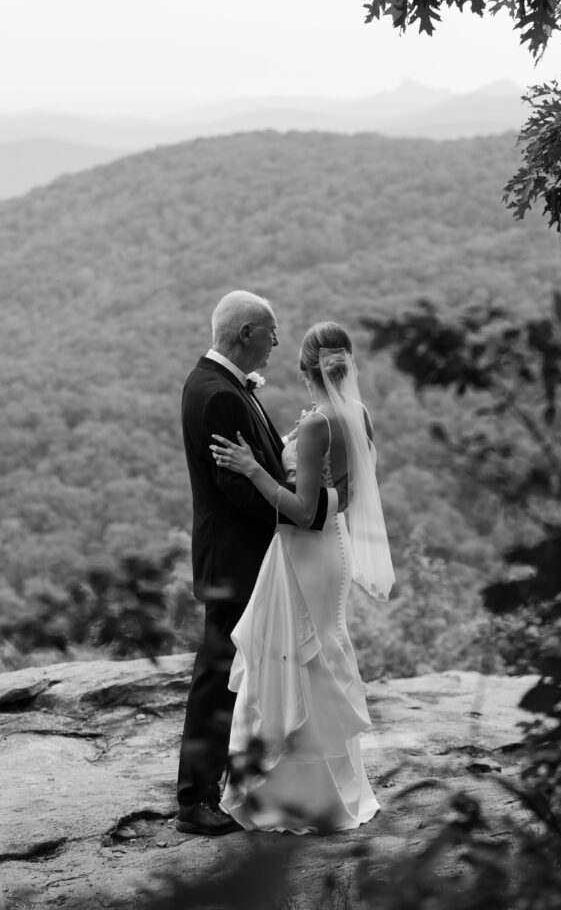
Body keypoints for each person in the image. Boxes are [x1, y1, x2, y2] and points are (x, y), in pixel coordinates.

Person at [210, 321, 395, 833]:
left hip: (303, 551)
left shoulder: (317, 426)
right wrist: (321, 499)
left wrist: (252, 468)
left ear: (304, 370)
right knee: (319, 651)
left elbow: (298, 509)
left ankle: (294, 798)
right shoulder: (358, 415)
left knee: (293, 655)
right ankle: (333, 790)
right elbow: (350, 498)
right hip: (332, 550)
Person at [176, 291, 339, 836]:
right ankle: (195, 799)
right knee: (219, 675)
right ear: (245, 332)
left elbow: (253, 471)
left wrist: (282, 476)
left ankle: (219, 785)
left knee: (231, 673)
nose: (275, 340)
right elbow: (236, 489)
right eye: (270, 331)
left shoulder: (218, 385)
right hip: (236, 560)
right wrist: (299, 511)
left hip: (241, 556)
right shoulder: (218, 394)